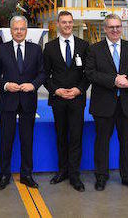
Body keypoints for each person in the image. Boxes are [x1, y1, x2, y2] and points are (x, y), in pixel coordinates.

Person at [85, 13, 128, 191]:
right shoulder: (94, 49)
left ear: (121, 28)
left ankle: (127, 177)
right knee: (102, 142)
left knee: (127, 142)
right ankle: (101, 176)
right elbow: (90, 73)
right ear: (105, 29)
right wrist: (114, 80)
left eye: (118, 26)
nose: (115, 30)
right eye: (111, 27)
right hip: (103, 104)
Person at [0, 15, 46, 190]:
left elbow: (42, 73)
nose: (19, 32)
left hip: (28, 101)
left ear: (26, 30)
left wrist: (33, 85)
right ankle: (4, 175)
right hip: (8, 101)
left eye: (22, 29)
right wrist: (6, 85)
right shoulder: (1, 49)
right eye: (15, 29)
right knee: (6, 140)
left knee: (27, 140)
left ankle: (26, 175)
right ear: (10, 31)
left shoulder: (36, 50)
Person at [42, 10, 89, 192]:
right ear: (58, 24)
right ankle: (62, 171)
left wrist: (79, 89)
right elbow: (45, 75)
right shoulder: (49, 48)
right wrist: (56, 90)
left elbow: (88, 73)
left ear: (73, 23)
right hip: (59, 99)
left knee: (76, 137)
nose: (67, 25)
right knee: (61, 136)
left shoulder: (84, 46)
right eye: (64, 22)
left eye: (70, 22)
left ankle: (75, 175)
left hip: (77, 99)